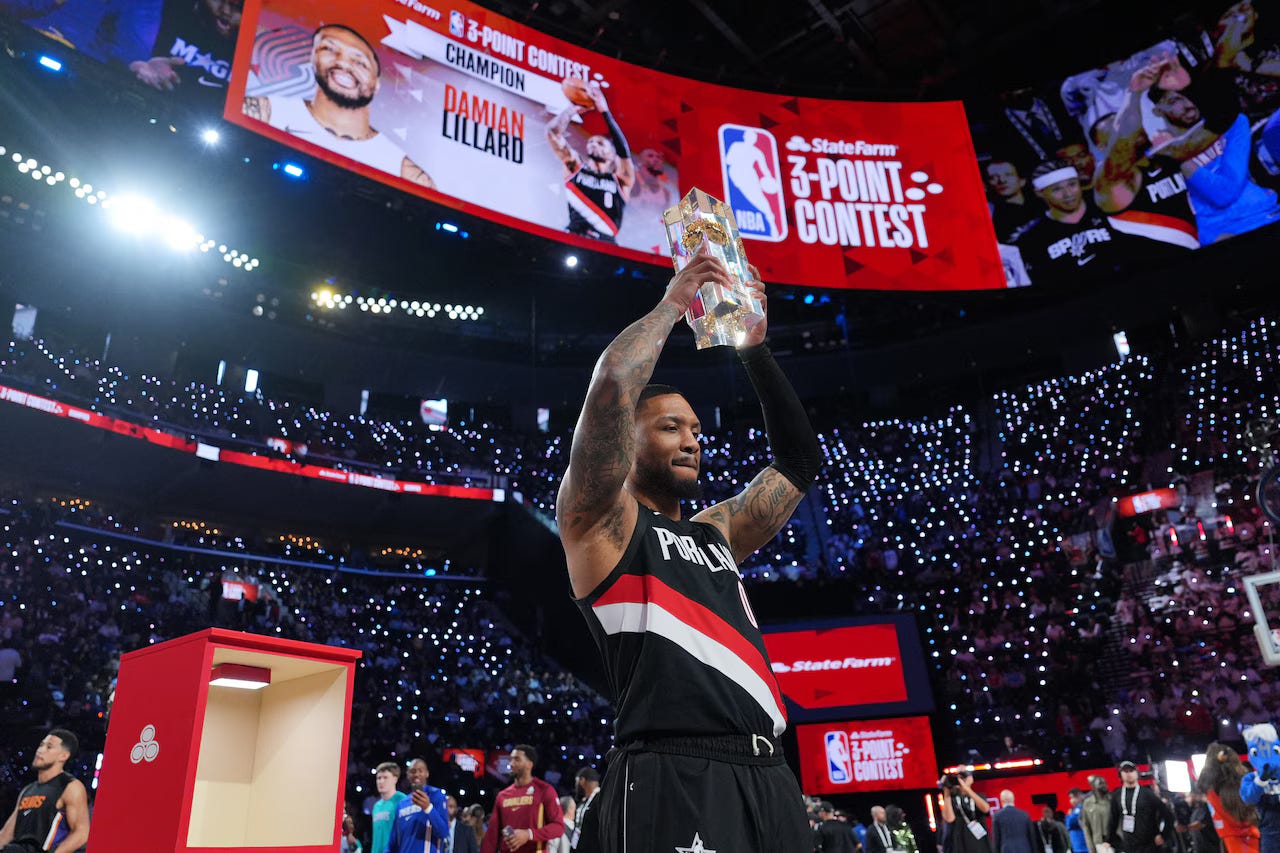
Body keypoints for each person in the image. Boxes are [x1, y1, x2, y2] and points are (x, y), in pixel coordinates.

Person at [556, 249, 821, 852]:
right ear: (627, 441)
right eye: (670, 427)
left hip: (770, 772)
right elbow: (614, 384)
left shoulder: (715, 532)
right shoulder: (603, 524)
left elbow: (799, 463)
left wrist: (755, 351)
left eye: (697, 430)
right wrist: (674, 304)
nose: (691, 441)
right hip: (672, 769)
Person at [243, 24, 434, 188]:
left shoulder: (404, 171)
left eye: (360, 62)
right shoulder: (267, 111)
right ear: (313, 59)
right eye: (329, 49)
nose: (343, 63)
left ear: (376, 84)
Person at [1148, 83, 1280, 244]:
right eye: (1175, 101)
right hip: (1221, 231)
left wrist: (1183, 163)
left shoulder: (1233, 124)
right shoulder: (1158, 157)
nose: (1188, 104)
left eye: (1188, 95)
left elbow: (1225, 192)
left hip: (1263, 213)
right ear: (1158, 111)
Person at [1007, 160, 1132, 286]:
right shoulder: (1032, 237)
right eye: (1057, 189)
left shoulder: (1107, 209)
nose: (1068, 194)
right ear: (1040, 193)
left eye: (1072, 184)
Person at [546, 80, 635, 243]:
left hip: (605, 243)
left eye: (600, 143)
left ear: (612, 155)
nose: (593, 144)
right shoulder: (575, 168)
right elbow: (552, 133)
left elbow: (624, 153)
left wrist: (605, 111)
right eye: (591, 142)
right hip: (575, 237)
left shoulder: (621, 180)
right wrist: (572, 109)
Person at [0, 729, 91, 853]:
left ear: (64, 756)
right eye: (41, 745)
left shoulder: (70, 786)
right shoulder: (28, 790)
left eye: (49, 747)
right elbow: (6, 833)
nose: (40, 750)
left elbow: (81, 833)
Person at [130, 0, 242, 99]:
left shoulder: (250, 60)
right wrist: (139, 63)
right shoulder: (172, 9)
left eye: (237, 7)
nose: (225, 11)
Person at [480, 745, 563, 853]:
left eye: (517, 759)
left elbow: (558, 827)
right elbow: (491, 836)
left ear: (529, 764)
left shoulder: (544, 790)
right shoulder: (502, 796)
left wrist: (529, 834)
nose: (511, 763)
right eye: (511, 759)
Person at [1107, 760, 1175, 853]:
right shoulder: (1117, 795)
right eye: (1125, 771)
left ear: (1137, 773)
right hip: (1129, 846)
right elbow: (1113, 820)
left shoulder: (1148, 794)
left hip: (1150, 844)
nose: (1129, 774)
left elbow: (1167, 815)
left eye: (1131, 771)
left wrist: (1163, 835)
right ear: (1120, 774)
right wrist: (1111, 840)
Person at [386, 758, 449, 853]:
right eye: (413, 771)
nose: (416, 774)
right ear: (408, 775)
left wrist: (428, 808)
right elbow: (393, 840)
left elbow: (443, 832)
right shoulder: (401, 804)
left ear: (427, 773)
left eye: (420, 771)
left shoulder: (436, 795)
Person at [942, 770, 993, 853]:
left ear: (971, 779)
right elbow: (949, 819)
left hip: (981, 843)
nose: (960, 780)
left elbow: (986, 809)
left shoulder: (979, 796)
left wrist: (967, 789)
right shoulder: (952, 799)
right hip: (961, 844)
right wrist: (946, 792)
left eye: (963, 777)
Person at [371, 761, 408, 853]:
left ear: (395, 779)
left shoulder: (403, 800)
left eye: (385, 777)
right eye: (379, 778)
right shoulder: (376, 806)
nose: (381, 781)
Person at [571, 767, 601, 852]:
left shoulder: (601, 800)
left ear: (582, 781)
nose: (576, 786)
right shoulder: (582, 802)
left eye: (576, 782)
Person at [1081, 776, 1112, 853]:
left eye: (1105, 783)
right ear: (1093, 786)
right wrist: (1091, 847)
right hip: (1099, 843)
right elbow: (1086, 826)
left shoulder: (1112, 800)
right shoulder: (1087, 803)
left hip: (1115, 841)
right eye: (1101, 783)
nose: (1104, 785)